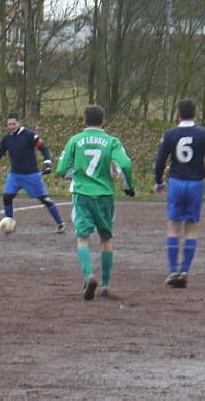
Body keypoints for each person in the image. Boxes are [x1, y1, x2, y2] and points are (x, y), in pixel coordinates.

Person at [56, 105, 135, 300]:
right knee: (106, 239)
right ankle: (106, 285)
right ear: (103, 121)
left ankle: (89, 275)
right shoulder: (112, 141)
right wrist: (128, 186)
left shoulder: (75, 140)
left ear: (84, 121)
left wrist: (74, 175)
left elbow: (61, 168)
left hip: (82, 194)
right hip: (105, 195)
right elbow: (124, 164)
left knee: (83, 238)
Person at [154, 98, 205, 289]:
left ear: (178, 114)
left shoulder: (170, 134)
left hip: (176, 183)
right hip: (195, 184)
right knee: (191, 228)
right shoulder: (204, 134)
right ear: (196, 114)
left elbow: (160, 161)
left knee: (173, 226)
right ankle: (184, 271)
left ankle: (172, 270)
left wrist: (158, 181)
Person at [0, 113, 65, 233]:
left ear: (19, 123)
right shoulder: (7, 138)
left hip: (31, 175)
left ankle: (60, 224)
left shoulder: (30, 135)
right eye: (9, 124)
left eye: (13, 124)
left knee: (44, 199)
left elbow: (43, 148)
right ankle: (10, 224)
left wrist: (47, 162)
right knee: (7, 198)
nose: (11, 126)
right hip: (15, 175)